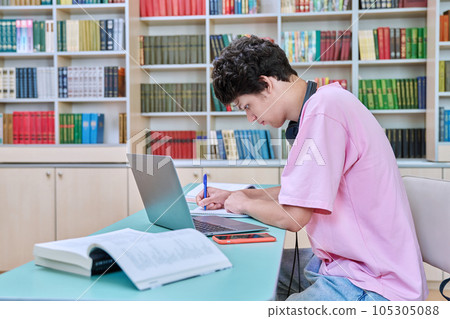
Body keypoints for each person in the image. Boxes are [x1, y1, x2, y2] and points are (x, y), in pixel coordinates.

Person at [196, 35, 427, 301]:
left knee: (254, 283)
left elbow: (293, 216)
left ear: (266, 84)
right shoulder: (325, 103)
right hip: (345, 264)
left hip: (374, 284)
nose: (251, 118)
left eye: (247, 106)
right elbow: (302, 192)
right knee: (246, 266)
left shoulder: (324, 111)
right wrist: (241, 196)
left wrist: (242, 205)